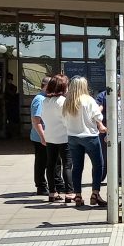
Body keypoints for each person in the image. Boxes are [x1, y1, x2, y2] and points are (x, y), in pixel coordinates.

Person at [62, 76, 107, 207]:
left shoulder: (68, 101)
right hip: (90, 136)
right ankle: (95, 193)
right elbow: (98, 116)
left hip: (73, 137)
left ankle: (78, 195)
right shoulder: (89, 100)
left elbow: (64, 121)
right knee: (98, 165)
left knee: (77, 167)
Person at [40, 75, 73, 204]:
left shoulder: (45, 101)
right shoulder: (62, 102)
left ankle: (52, 192)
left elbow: (43, 117)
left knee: (51, 164)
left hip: (50, 136)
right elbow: (67, 120)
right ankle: (69, 193)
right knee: (67, 165)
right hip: (64, 137)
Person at [29, 75, 51, 195]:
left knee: (48, 161)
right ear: (46, 85)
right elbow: (36, 121)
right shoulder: (39, 99)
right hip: (40, 137)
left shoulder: (46, 98)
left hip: (46, 136)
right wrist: (43, 137)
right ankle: (41, 186)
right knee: (41, 162)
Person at [4, 73, 21, 138]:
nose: (9, 80)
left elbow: (12, 93)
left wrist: (7, 88)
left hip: (11, 106)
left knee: (11, 120)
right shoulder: (6, 86)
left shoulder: (13, 87)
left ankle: (11, 132)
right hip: (6, 105)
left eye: (10, 79)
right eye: (8, 79)